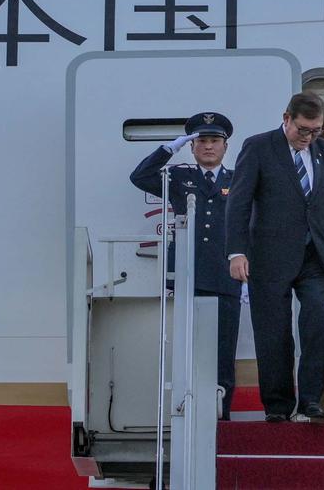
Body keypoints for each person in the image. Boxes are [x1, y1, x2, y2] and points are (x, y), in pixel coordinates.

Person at [224, 92, 324, 423]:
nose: (308, 137)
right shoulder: (259, 146)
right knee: (274, 332)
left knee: (318, 322)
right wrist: (237, 251)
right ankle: (277, 405)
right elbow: (239, 202)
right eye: (303, 129)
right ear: (287, 118)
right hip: (269, 255)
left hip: (314, 256)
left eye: (316, 130)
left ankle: (310, 401)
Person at [129, 112, 242, 419]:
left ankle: (222, 416)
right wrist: (169, 148)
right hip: (186, 274)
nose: (208, 147)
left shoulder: (237, 179)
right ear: (192, 147)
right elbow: (139, 177)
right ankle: (186, 413)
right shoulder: (179, 176)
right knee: (187, 351)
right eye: (201, 141)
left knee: (222, 352)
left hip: (225, 277)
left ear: (225, 146)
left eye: (214, 141)